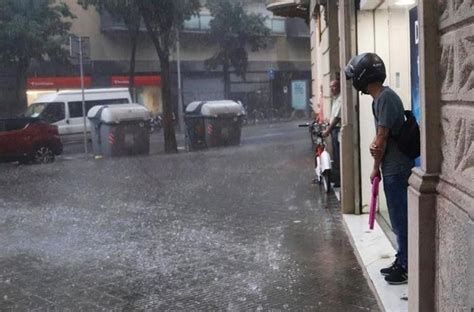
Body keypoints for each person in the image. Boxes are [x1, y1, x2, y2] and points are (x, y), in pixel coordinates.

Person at [345, 53, 414, 285]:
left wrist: (375, 168)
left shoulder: (384, 98)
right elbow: (380, 138)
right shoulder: (380, 99)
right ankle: (402, 258)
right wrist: (376, 147)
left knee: (400, 219)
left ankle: (406, 266)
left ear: (363, 76)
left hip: (396, 169)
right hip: (393, 167)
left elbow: (382, 138)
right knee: (397, 218)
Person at [322, 79, 342, 186]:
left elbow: (337, 118)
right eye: (330, 87)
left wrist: (328, 130)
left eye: (334, 86)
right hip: (333, 129)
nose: (332, 89)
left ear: (339, 86)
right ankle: (337, 178)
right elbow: (333, 116)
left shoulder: (340, 99)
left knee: (338, 155)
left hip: (336, 130)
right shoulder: (334, 99)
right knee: (335, 154)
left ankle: (339, 180)